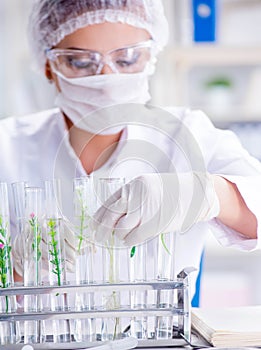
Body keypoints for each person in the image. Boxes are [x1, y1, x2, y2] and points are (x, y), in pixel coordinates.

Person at [2, 0, 261, 299]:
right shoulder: (7, 146)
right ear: (48, 65)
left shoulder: (187, 133)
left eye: (126, 59)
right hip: (31, 344)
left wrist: (207, 193)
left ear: (150, 56)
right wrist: (15, 269)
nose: (107, 80)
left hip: (159, 342)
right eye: (81, 62)